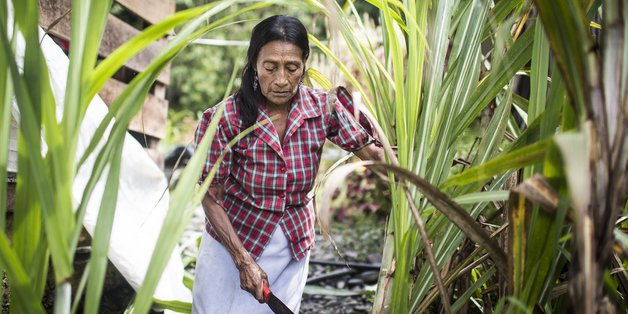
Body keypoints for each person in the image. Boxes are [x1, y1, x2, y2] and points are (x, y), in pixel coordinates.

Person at [191, 15, 384, 313]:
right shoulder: (225, 118)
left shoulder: (323, 109)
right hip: (234, 242)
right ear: (255, 64)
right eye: (270, 68)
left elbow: (375, 155)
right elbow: (210, 193)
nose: (281, 80)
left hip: (292, 241)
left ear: (304, 64)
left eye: (292, 68)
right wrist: (243, 261)